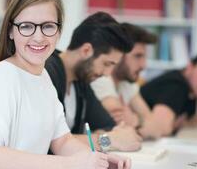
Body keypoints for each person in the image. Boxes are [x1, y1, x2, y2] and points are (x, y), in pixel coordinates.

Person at [0, 0, 130, 169]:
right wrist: (69, 166)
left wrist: (98, 159)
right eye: (26, 26)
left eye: (48, 26)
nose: (38, 37)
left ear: (59, 31)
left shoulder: (44, 80)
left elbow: (62, 141)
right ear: (10, 31)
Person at [45, 12, 142, 153]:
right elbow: (46, 141)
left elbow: (108, 126)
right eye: (107, 64)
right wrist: (109, 140)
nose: (107, 74)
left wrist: (111, 135)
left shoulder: (81, 80)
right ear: (86, 50)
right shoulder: (46, 73)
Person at [138, 52, 197, 139]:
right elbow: (160, 128)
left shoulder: (192, 92)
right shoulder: (176, 85)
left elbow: (191, 123)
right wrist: (174, 126)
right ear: (190, 67)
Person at [91, 23, 157, 128]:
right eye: (137, 56)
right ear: (119, 54)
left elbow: (155, 127)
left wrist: (135, 120)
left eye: (144, 57)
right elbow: (118, 125)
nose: (143, 65)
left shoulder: (127, 81)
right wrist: (139, 121)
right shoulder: (101, 78)